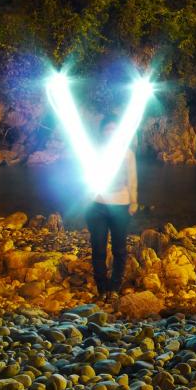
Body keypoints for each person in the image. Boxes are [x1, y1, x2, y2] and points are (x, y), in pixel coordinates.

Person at [85, 114, 138, 302]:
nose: (110, 132)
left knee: (119, 249)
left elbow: (132, 178)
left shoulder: (127, 153)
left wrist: (134, 201)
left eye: (114, 129)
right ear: (103, 132)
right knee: (98, 247)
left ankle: (114, 287)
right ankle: (101, 287)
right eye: (107, 129)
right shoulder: (94, 150)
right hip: (97, 205)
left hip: (120, 205)